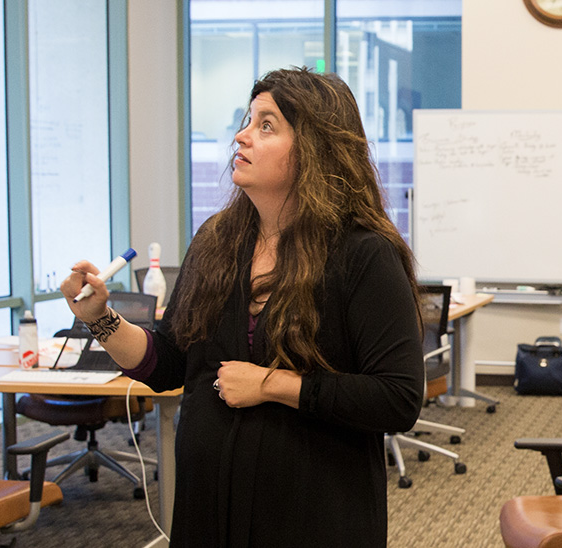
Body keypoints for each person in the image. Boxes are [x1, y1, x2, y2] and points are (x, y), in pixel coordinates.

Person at [59, 67, 424, 547]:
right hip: (208, 511)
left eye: (266, 125)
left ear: (314, 148)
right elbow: (170, 364)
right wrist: (100, 321)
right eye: (247, 120)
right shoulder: (216, 240)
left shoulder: (363, 253)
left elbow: (396, 399)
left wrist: (272, 385)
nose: (241, 135)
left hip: (314, 516)